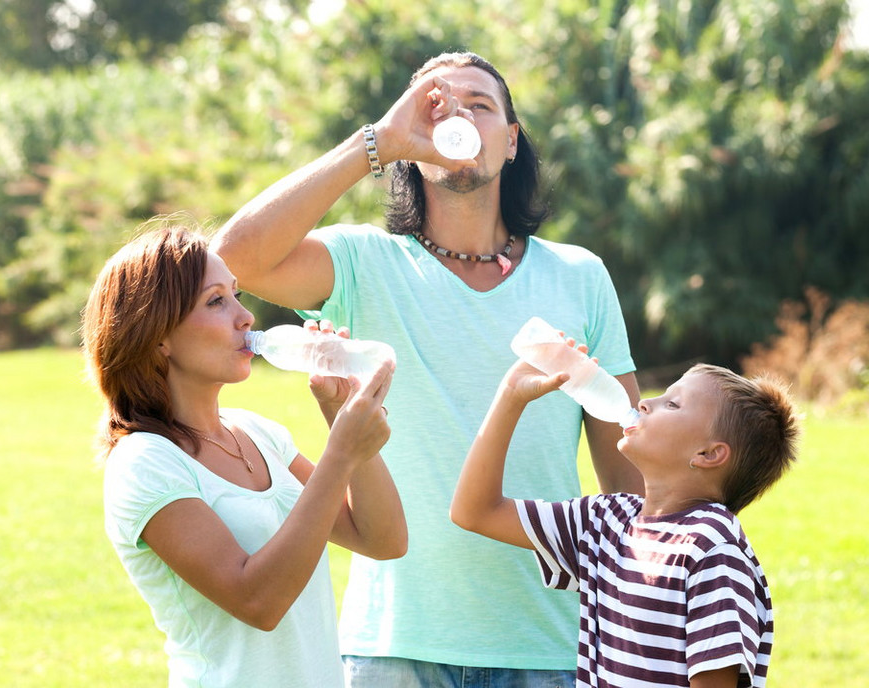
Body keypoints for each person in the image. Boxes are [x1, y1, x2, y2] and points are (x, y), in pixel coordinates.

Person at [213, 51, 643, 686]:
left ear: (511, 138)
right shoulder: (362, 262)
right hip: (391, 647)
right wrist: (376, 142)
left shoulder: (581, 276)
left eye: (480, 104)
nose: (459, 116)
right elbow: (232, 262)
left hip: (545, 646)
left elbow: (630, 486)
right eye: (436, 107)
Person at [82, 225, 406, 687]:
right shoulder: (144, 463)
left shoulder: (258, 432)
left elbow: (383, 539)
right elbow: (259, 602)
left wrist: (339, 411)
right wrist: (339, 456)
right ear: (157, 336)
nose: (246, 317)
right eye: (216, 301)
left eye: (236, 295)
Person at [451, 353, 800, 688]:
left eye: (673, 404)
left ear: (708, 454)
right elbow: (475, 511)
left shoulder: (712, 550)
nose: (646, 402)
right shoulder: (604, 523)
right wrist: (511, 395)